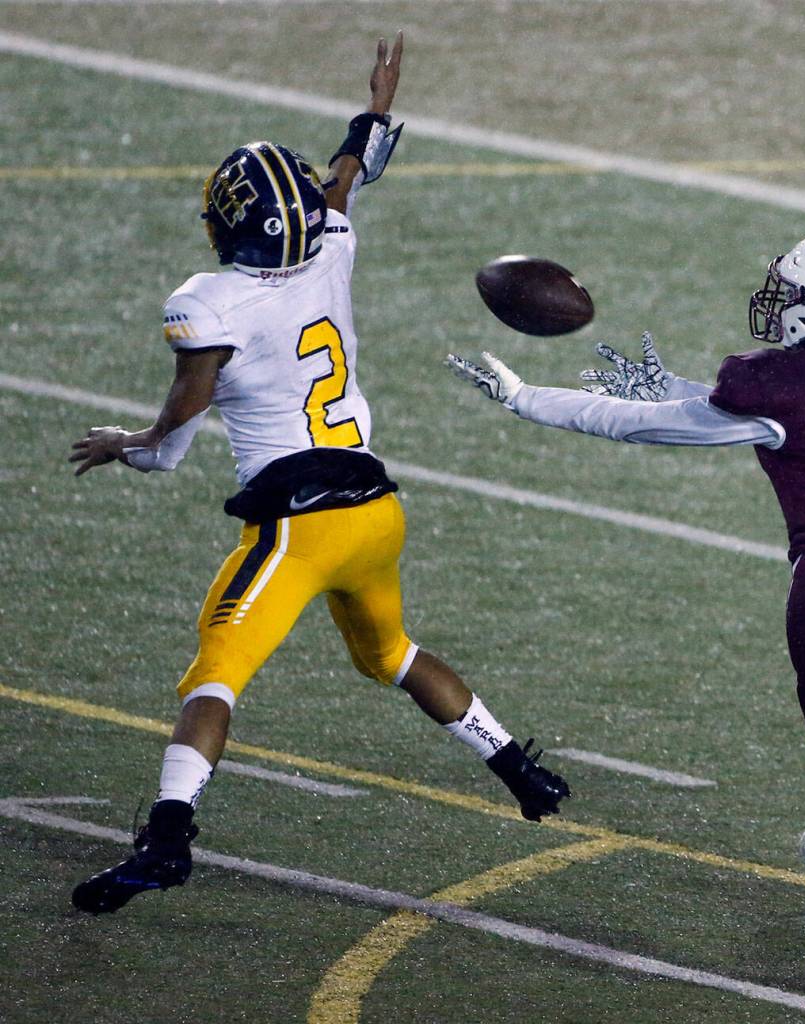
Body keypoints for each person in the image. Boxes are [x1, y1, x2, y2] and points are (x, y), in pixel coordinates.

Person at [69, 33, 569, 916]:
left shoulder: (212, 298)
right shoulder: (331, 240)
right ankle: (518, 768)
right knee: (391, 653)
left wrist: (135, 444)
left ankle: (168, 839)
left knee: (214, 673)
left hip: (300, 525)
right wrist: (374, 110)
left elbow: (188, 405)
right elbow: (345, 176)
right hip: (375, 512)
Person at [448, 230, 805, 996]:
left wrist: (531, 400)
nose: (781, 306)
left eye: (793, 294)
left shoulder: (778, 388)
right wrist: (680, 386)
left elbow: (657, 424)